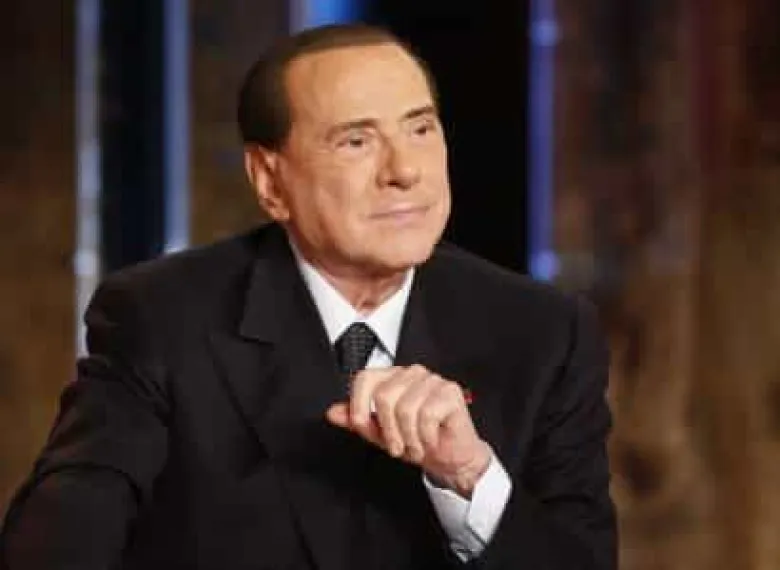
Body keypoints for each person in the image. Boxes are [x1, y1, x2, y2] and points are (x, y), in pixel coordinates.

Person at [0, 23, 616, 570]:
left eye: (421, 128)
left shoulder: (543, 333)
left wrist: (469, 477)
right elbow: (58, 541)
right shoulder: (163, 318)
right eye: (356, 141)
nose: (405, 171)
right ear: (270, 181)